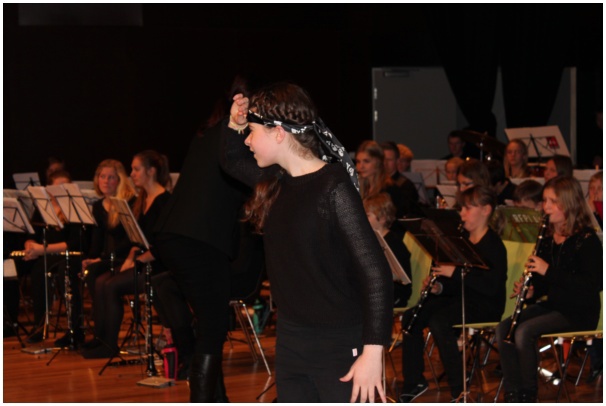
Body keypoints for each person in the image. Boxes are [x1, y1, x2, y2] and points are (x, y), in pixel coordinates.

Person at [223, 82, 393, 402]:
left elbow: (375, 273)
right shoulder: (276, 183)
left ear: (278, 133)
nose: (247, 140)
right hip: (291, 340)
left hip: (338, 344)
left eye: (252, 131)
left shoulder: (333, 188)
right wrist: (235, 121)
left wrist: (373, 353)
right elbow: (230, 159)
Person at [150, 75, 258, 402]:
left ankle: (217, 399)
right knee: (213, 327)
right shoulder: (236, 134)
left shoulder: (209, 132)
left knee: (209, 322)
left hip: (176, 234)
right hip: (198, 238)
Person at [495, 176, 602, 403]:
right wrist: (531, 291)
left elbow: (591, 285)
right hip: (554, 305)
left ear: (569, 203)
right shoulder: (547, 237)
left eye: (553, 201)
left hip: (579, 311)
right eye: (544, 200)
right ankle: (512, 392)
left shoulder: (587, 239)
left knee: (524, 332)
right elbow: (544, 283)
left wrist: (548, 271)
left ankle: (528, 394)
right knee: (504, 329)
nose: (546, 207)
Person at [399, 185, 507, 402]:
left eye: (467, 208)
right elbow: (456, 286)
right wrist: (440, 287)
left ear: (486, 210)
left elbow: (490, 286)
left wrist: (455, 273)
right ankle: (414, 381)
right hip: (460, 300)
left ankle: (459, 387)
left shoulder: (494, 245)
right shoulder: (462, 239)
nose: (462, 214)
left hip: (486, 305)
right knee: (411, 317)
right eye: (461, 208)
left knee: (439, 321)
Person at [82, 150, 171, 359]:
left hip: (158, 265)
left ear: (151, 171)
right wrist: (131, 258)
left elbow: (162, 246)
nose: (131, 174)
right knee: (101, 281)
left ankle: (109, 345)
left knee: (111, 285)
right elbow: (137, 240)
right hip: (143, 260)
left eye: (136, 169)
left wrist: (136, 260)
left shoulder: (164, 201)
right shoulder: (144, 198)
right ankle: (102, 340)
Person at [59, 159, 136, 349]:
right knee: (80, 269)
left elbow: (129, 241)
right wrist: (90, 259)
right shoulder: (99, 206)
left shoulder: (129, 203)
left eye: (111, 177)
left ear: (120, 180)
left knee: (96, 275)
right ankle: (89, 334)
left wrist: (100, 259)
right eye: (103, 176)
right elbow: (97, 239)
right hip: (107, 258)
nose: (106, 181)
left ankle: (105, 338)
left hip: (124, 257)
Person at [20, 170, 82, 344]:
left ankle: (44, 326)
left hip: (64, 254)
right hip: (43, 252)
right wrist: (30, 245)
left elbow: (74, 244)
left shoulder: (74, 209)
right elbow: (32, 233)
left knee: (40, 269)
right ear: (48, 189)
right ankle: (10, 319)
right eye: (57, 187)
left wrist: (41, 250)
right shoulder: (43, 206)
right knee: (12, 264)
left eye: (65, 187)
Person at [363, 192, 412, 307]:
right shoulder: (371, 240)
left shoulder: (394, 244)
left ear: (382, 219)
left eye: (367, 215)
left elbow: (401, 282)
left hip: (395, 295)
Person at [357, 140, 419, 219]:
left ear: (378, 163)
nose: (360, 166)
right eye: (358, 161)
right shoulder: (360, 186)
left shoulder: (390, 189)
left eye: (366, 161)